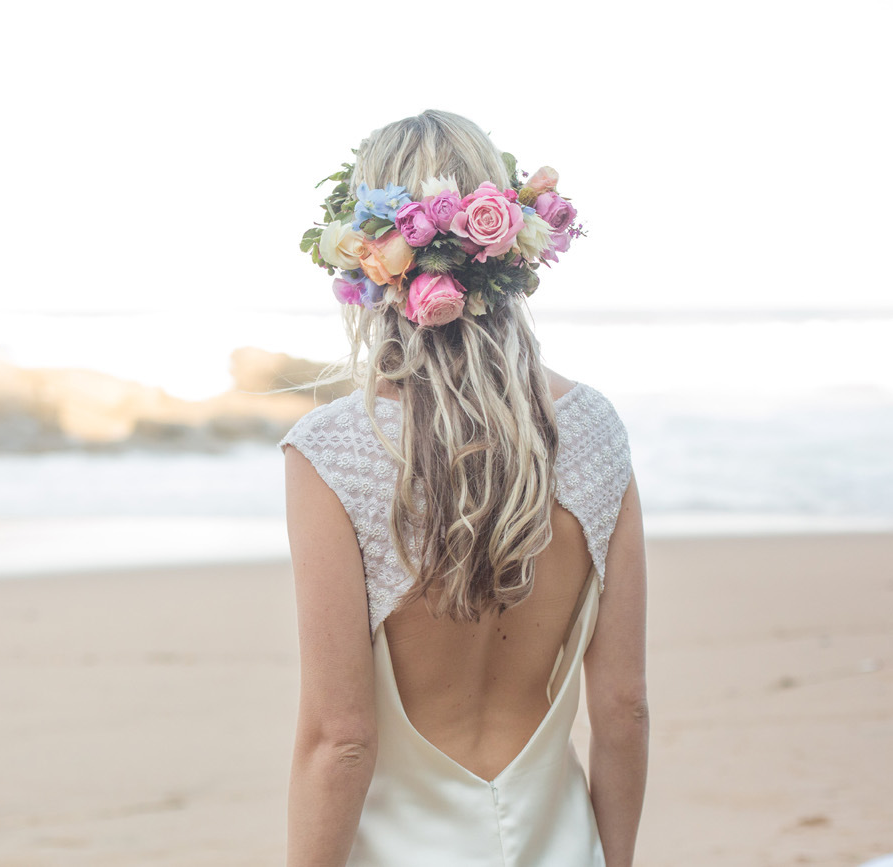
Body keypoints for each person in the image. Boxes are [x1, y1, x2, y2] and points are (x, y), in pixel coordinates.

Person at [278, 110, 648, 866]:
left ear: (362, 253)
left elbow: (340, 740)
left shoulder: (335, 448)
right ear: (510, 245)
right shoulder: (593, 429)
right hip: (558, 844)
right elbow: (623, 709)